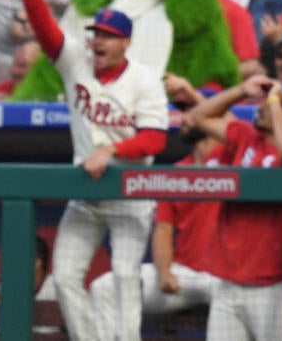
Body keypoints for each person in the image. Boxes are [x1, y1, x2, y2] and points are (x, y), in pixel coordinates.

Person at [10, 0, 168, 341]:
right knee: (64, 277)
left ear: (125, 43)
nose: (99, 40)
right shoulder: (76, 62)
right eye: (96, 33)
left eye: (109, 36)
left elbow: (155, 138)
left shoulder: (146, 80)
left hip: (130, 191)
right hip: (85, 193)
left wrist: (112, 152)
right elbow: (47, 32)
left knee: (126, 277)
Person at [184, 75, 282, 341]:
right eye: (264, 102)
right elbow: (198, 117)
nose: (261, 106)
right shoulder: (246, 137)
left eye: (273, 105)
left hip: (272, 286)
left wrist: (274, 100)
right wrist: (240, 89)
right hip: (228, 282)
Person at [90, 107, 224, 341]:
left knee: (241, 299)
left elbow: (240, 129)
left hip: (224, 278)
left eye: (192, 115)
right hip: (185, 274)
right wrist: (164, 272)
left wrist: (197, 101)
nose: (184, 119)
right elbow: (163, 229)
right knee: (104, 288)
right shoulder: (177, 172)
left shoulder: (232, 157)